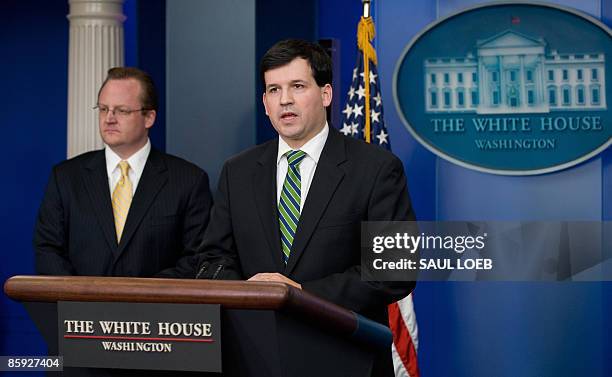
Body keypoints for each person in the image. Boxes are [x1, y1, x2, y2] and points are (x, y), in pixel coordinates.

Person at [162, 39, 416, 374]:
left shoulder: (377, 169)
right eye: (273, 90)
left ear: (325, 94)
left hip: (344, 358)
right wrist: (249, 295)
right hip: (255, 356)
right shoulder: (237, 171)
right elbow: (213, 258)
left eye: (297, 86)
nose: (285, 100)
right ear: (265, 103)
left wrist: (299, 295)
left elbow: (394, 271)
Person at [34, 67, 212, 277]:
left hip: (158, 307)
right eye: (103, 109)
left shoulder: (189, 180)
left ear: (149, 118)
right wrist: (79, 300)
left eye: (122, 111)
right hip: (79, 307)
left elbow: (197, 257)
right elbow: (48, 250)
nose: (109, 118)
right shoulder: (65, 177)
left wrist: (141, 298)